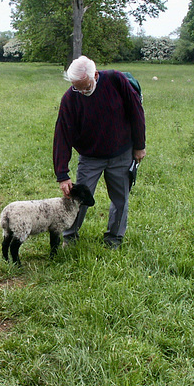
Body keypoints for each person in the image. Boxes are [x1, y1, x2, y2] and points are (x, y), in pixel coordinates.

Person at [53, 55, 146, 248]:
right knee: (78, 198)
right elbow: (62, 135)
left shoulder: (116, 80)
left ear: (95, 75)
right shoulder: (70, 98)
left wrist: (139, 145)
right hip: (90, 157)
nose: (82, 91)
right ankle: (70, 236)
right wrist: (62, 174)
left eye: (85, 86)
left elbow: (136, 111)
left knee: (120, 199)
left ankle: (114, 238)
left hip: (121, 153)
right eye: (76, 87)